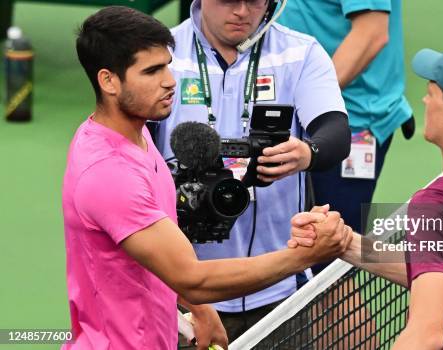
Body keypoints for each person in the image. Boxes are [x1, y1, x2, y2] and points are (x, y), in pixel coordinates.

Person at [63, 6, 351, 349]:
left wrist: (199, 307)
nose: (170, 80)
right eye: (153, 71)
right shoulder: (110, 173)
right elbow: (192, 278)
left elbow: (166, 257)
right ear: (109, 81)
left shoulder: (136, 139)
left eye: (167, 66)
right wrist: (305, 256)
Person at [291, 44, 443, 349]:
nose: (423, 99)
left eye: (431, 92)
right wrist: (344, 241)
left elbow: (425, 337)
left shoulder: (437, 204)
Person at [154, 0, 351, 340]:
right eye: (230, 0)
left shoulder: (301, 53)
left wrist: (307, 152)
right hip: (183, 294)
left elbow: (335, 131)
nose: (243, 12)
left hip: (278, 291)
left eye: (256, 0)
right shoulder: (162, 56)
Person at [279, 0, 415, 239]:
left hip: (349, 122)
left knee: (333, 252)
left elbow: (371, 33)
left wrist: (310, 97)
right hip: (298, 116)